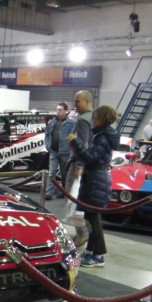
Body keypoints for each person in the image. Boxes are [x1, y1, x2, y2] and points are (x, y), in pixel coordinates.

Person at [66, 105, 120, 268]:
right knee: (90, 217)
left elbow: (90, 158)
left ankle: (98, 255)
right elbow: (89, 157)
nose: (93, 120)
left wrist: (75, 141)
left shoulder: (102, 137)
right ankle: (90, 252)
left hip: (96, 179)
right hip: (95, 178)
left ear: (101, 118)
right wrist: (76, 147)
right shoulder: (102, 135)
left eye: (95, 117)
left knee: (93, 218)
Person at [64, 90, 93, 248]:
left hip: (78, 163)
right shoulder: (94, 117)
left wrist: (80, 166)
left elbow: (83, 143)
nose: (75, 104)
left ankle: (82, 233)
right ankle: (84, 233)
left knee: (72, 199)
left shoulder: (83, 120)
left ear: (87, 102)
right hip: (89, 164)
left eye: (77, 101)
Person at [44, 102, 75, 200]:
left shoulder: (71, 123)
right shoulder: (52, 122)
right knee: (51, 172)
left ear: (66, 111)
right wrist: (48, 146)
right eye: (57, 109)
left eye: (60, 110)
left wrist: (71, 149)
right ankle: (49, 192)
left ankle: (64, 192)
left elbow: (73, 137)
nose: (58, 112)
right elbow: (47, 134)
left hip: (65, 152)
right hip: (53, 151)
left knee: (64, 173)